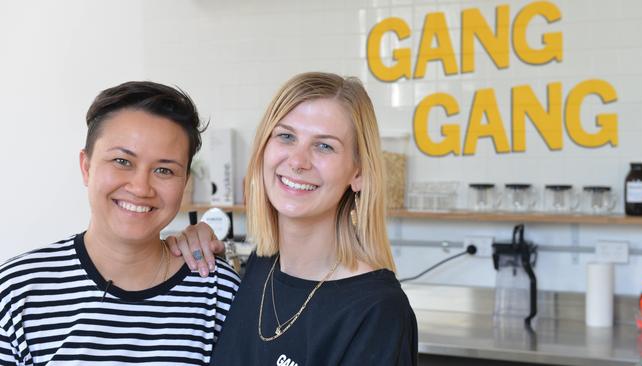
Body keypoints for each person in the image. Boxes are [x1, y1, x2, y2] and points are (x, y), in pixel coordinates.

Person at [171, 72, 418, 365]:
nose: (298, 161)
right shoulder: (260, 268)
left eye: (324, 145)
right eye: (286, 136)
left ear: (358, 173)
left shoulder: (377, 311)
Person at [0, 81, 240, 365]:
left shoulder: (218, 292)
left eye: (164, 170)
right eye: (122, 161)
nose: (140, 187)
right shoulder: (15, 293)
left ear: (185, 183)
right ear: (86, 167)